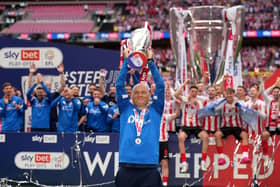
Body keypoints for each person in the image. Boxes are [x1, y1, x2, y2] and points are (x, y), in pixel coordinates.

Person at [115, 48, 165, 187]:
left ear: (149, 95)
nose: (140, 94)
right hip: (126, 166)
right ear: (131, 96)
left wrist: (150, 62)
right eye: (136, 92)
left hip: (149, 167)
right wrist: (126, 61)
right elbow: (119, 85)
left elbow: (160, 86)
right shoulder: (126, 109)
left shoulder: (155, 110)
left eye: (144, 92)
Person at [174, 82, 208, 173]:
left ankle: (203, 161)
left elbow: (201, 112)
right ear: (189, 92)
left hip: (196, 126)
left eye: (195, 91)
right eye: (192, 91)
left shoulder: (199, 102)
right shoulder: (185, 99)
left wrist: (195, 104)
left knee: (205, 137)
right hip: (186, 126)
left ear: (197, 93)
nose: (193, 93)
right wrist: (184, 83)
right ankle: (184, 163)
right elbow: (176, 94)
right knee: (181, 138)